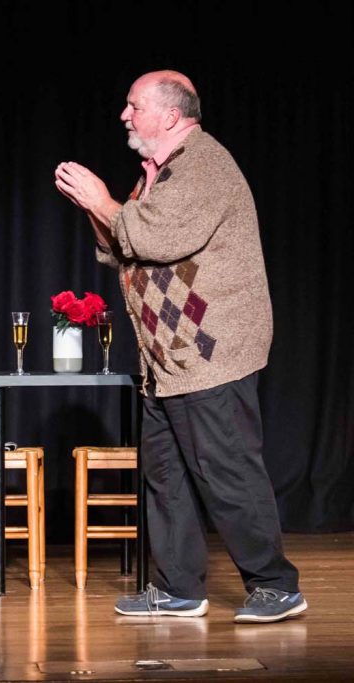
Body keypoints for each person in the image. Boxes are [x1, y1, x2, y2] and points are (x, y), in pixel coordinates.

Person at [54, 71, 305, 624]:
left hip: (210, 352)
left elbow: (157, 238)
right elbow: (126, 250)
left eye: (133, 105)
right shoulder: (163, 174)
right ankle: (177, 589)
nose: (124, 114)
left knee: (227, 469)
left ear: (169, 115)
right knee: (165, 474)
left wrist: (106, 201)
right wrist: (103, 209)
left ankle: (276, 586)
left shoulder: (202, 164)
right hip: (168, 359)